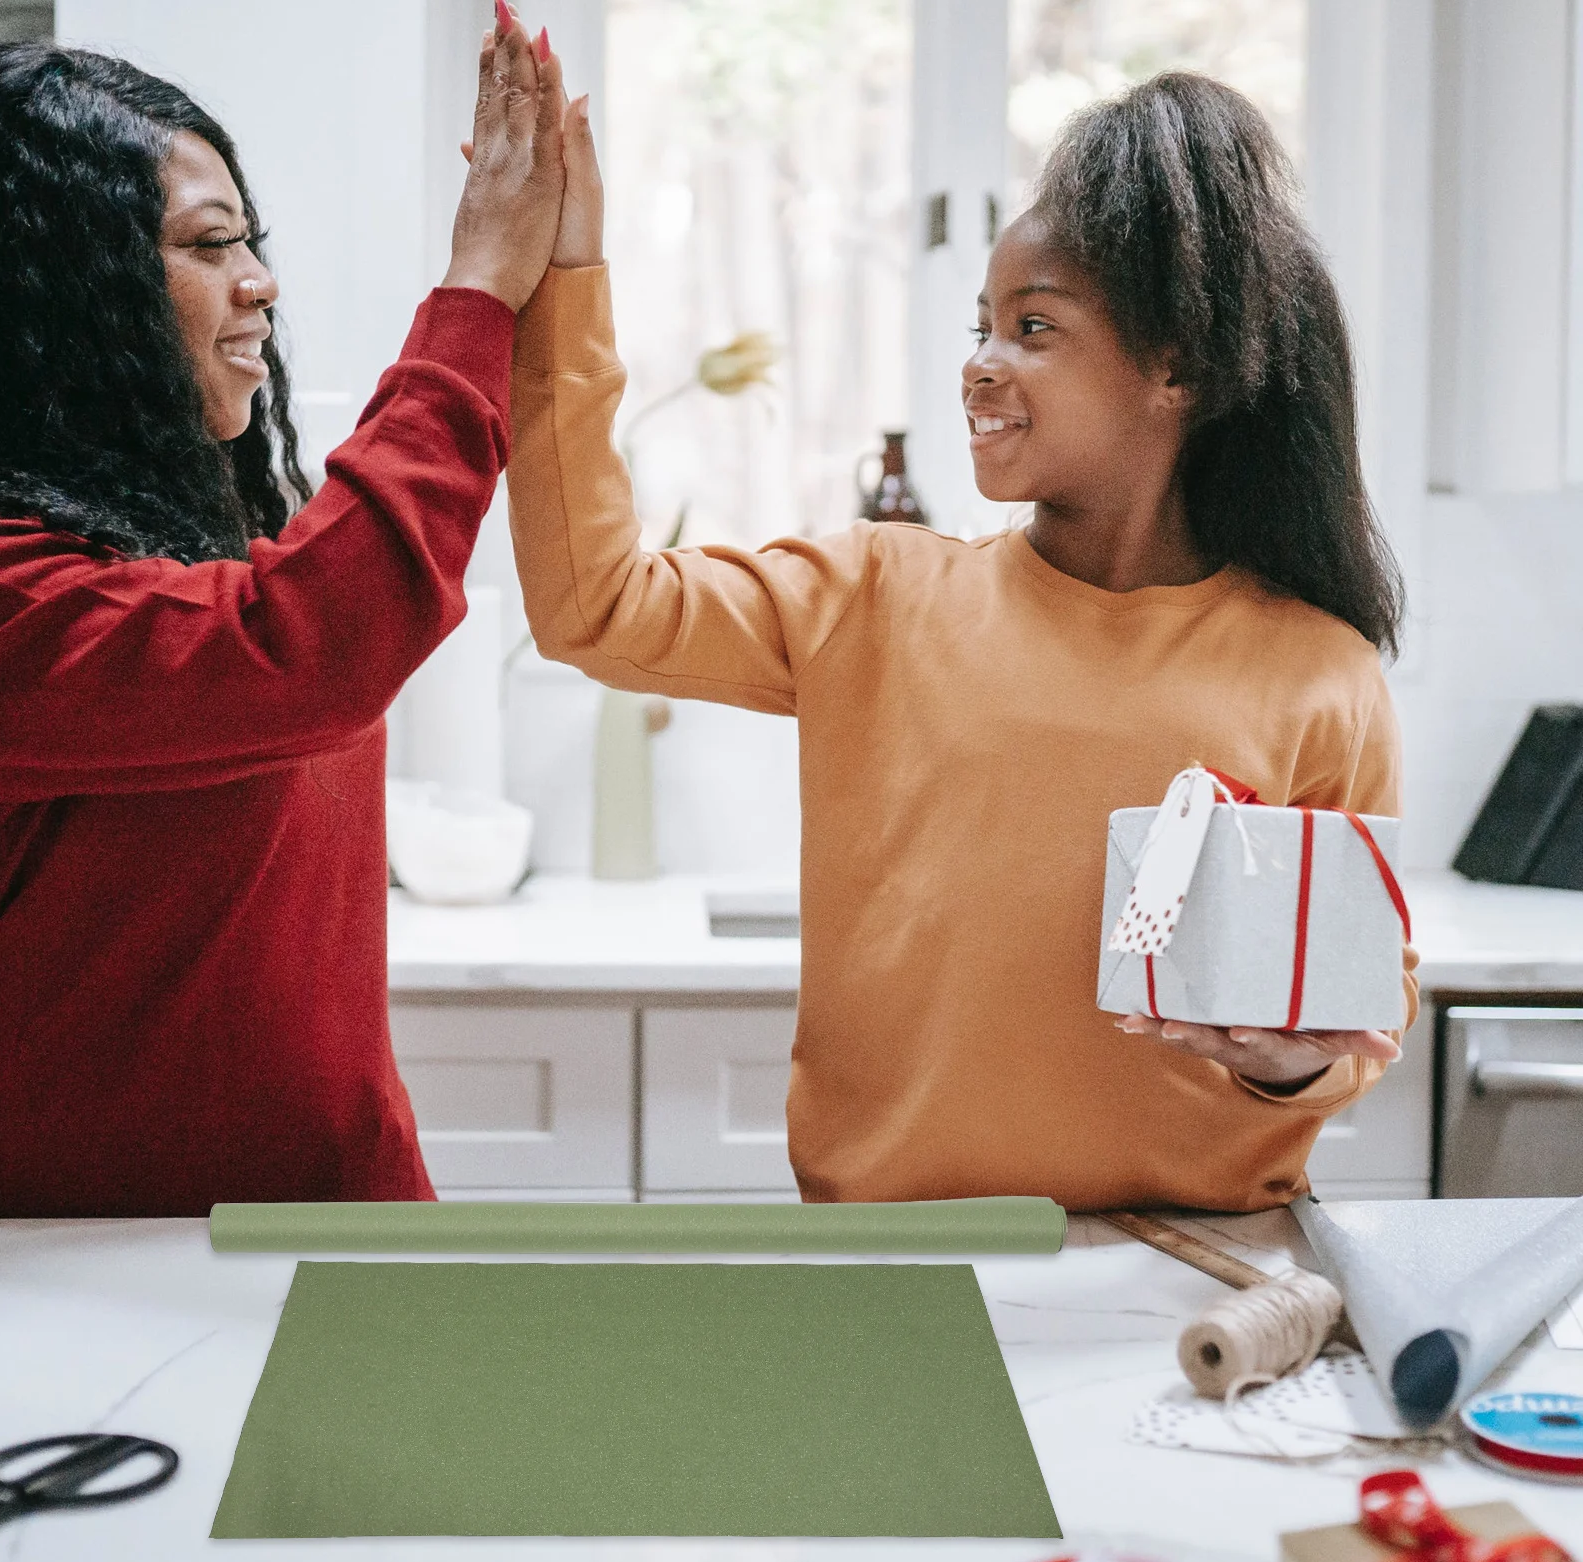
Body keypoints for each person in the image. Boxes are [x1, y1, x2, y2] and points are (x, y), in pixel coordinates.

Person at [507, 71, 1419, 1211]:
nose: (980, 364)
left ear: (1174, 366)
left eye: (1033, 327)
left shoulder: (1320, 673)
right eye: (981, 326)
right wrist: (562, 278)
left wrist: (1291, 1061)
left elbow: (1363, 1010)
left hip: (1187, 1274)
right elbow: (591, 603)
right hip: (895, 1269)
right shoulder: (874, 597)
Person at [0, 0, 568, 1215]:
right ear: (61, 295)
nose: (260, 285)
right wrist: (476, 291)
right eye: (207, 247)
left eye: (251, 241)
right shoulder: (3, 592)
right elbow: (309, 642)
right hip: (86, 1272)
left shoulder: (201, 540)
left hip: (336, 1222)